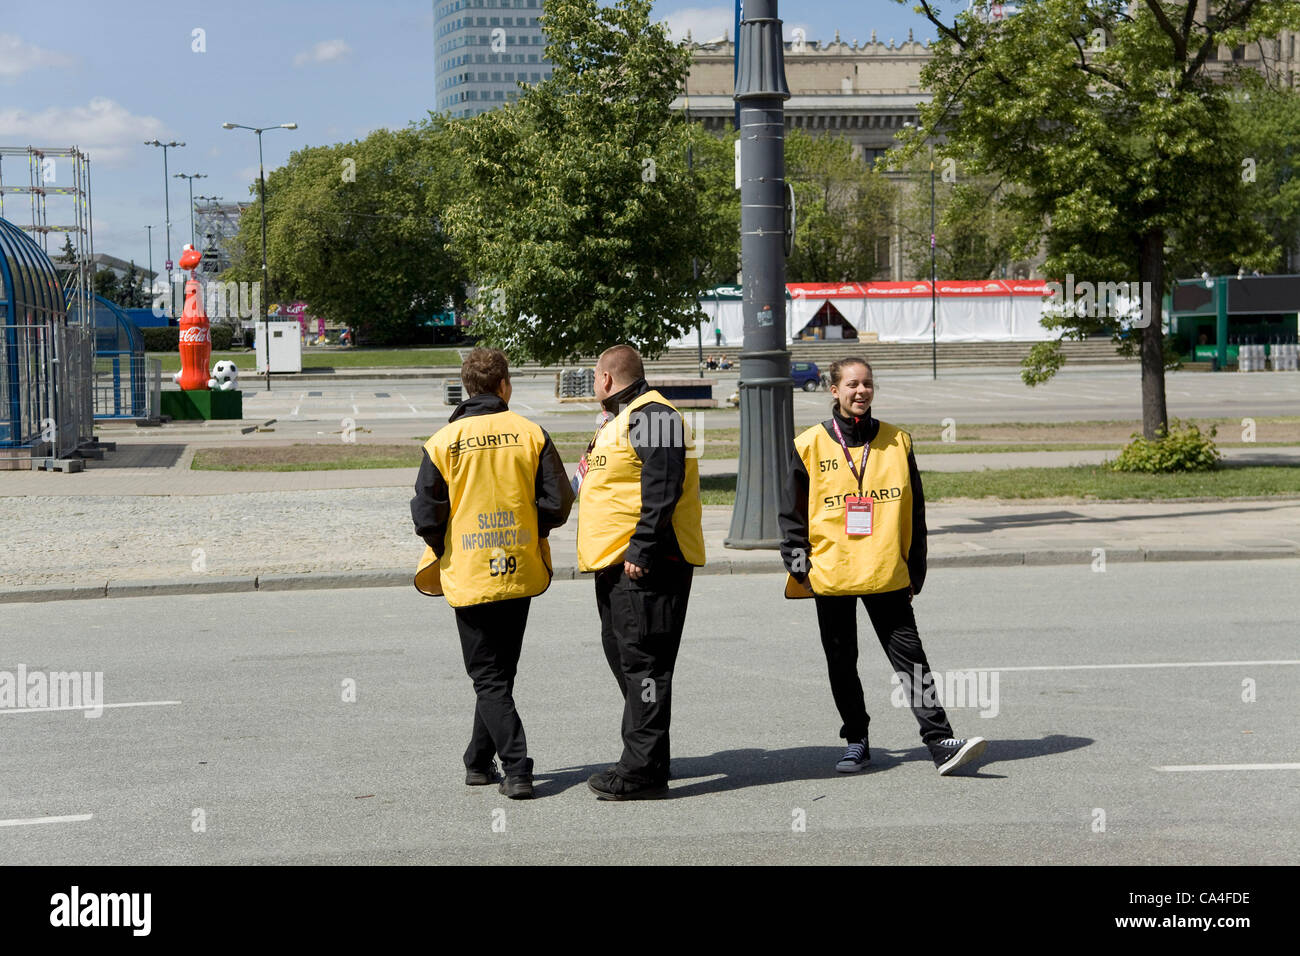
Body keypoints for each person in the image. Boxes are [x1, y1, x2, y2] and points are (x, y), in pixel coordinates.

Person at [779, 357, 987, 777]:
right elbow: (791, 516)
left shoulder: (898, 442)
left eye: (867, 384)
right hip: (830, 573)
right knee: (842, 661)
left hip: (886, 571)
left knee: (912, 661)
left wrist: (916, 569)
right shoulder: (809, 444)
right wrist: (800, 569)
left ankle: (940, 741)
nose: (861, 392)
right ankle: (856, 740)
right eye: (852, 384)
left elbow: (916, 512)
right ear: (833, 390)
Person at [411, 347, 574, 799]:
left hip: (469, 573)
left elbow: (425, 514)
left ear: (467, 388)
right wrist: (529, 527)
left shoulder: (443, 442)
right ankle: (478, 762)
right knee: (499, 674)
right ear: (504, 386)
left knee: (489, 677)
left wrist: (446, 543)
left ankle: (518, 769)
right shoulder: (530, 433)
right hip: (518, 568)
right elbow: (559, 501)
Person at [576, 345, 705, 800]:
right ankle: (648, 758)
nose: (594, 384)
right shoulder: (623, 418)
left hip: (647, 566)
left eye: (595, 376)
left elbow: (664, 484)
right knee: (630, 662)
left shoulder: (653, 415)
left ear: (607, 379)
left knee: (645, 665)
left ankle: (641, 771)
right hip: (617, 566)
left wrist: (644, 546)